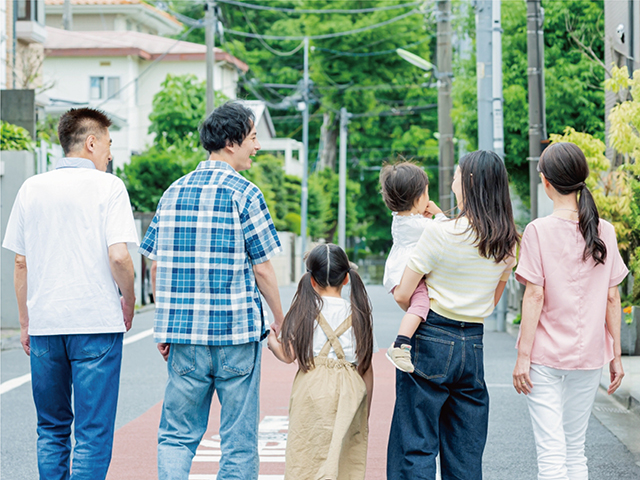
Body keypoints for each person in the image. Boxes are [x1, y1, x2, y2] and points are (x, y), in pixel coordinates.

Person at [139, 101, 285, 480]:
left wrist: (165, 326)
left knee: (176, 435)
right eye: (253, 138)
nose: (257, 146)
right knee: (238, 438)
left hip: (184, 336)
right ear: (233, 142)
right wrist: (280, 321)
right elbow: (263, 268)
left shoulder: (173, 193)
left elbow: (157, 265)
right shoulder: (246, 194)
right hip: (236, 334)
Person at [2, 107, 138, 480]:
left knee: (51, 429)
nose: (110, 154)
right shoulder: (110, 186)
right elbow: (119, 255)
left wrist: (26, 323)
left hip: (46, 324)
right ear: (91, 142)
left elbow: (20, 263)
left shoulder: (31, 187)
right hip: (95, 322)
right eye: (109, 144)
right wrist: (129, 299)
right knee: (92, 434)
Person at [388, 150, 519, 479]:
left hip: (431, 337)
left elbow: (404, 293)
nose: (451, 182)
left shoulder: (439, 233)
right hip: (472, 344)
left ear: (470, 183)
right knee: (465, 452)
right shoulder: (506, 243)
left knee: (415, 444)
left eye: (456, 176)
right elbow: (492, 298)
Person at [512, 142, 628, 480]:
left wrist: (522, 355)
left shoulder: (538, 230)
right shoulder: (604, 230)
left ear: (546, 183)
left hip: (545, 358)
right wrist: (616, 355)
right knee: (575, 449)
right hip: (590, 356)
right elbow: (612, 298)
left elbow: (534, 295)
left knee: (551, 453)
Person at [268, 244, 375, 480]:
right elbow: (366, 366)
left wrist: (271, 342)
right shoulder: (358, 312)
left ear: (312, 281)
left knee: (306, 453)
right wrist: (365, 410)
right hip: (350, 389)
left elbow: (287, 355)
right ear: (347, 279)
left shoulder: (304, 309)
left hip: (312, 386)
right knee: (345, 458)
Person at [379, 162, 446, 372]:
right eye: (427, 193)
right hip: (408, 275)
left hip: (398, 273)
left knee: (417, 308)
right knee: (420, 306)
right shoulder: (421, 225)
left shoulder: (401, 219)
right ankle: (400, 344)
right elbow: (448, 231)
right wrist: (439, 213)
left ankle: (404, 340)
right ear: (418, 198)